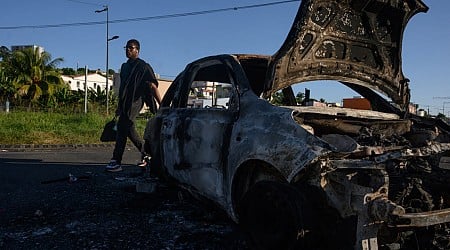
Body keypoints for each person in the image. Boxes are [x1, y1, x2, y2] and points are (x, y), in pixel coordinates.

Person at [106, 39, 162, 172]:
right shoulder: (124, 67)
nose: (128, 50)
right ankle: (147, 154)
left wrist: (162, 104)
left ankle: (116, 161)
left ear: (138, 50)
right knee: (129, 130)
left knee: (122, 128)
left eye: (131, 48)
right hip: (125, 101)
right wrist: (119, 106)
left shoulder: (144, 66)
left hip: (136, 101)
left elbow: (153, 86)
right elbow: (123, 87)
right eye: (127, 47)